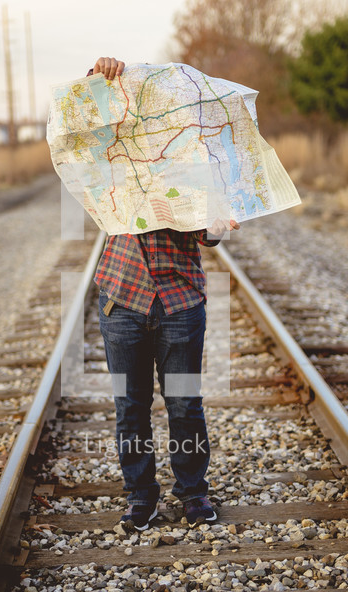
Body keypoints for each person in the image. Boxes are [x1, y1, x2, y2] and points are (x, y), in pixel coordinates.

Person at [88, 57, 240, 531]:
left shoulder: (191, 159)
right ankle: (141, 497)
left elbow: (208, 235)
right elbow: (79, 130)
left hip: (178, 300)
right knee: (130, 407)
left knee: (183, 402)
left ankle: (193, 492)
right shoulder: (114, 150)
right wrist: (97, 81)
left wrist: (217, 229)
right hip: (122, 298)